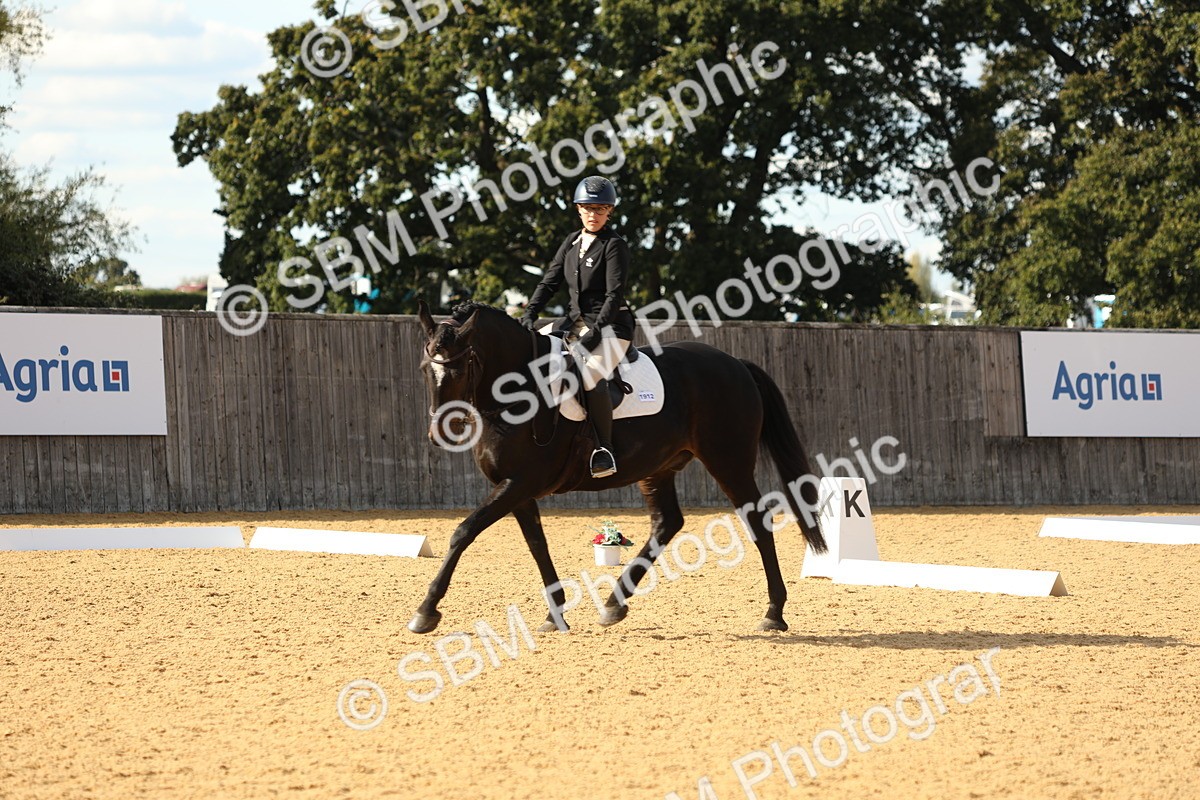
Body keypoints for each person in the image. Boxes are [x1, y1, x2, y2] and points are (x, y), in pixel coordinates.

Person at [521, 175, 634, 478]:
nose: (593, 214)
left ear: (609, 212)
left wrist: (592, 338)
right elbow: (550, 281)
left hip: (612, 327)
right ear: (578, 209)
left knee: (589, 373)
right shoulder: (571, 241)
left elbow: (613, 297)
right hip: (573, 323)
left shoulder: (614, 245)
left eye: (600, 209)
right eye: (588, 208)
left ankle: (604, 449)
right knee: (530, 352)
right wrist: (530, 313)